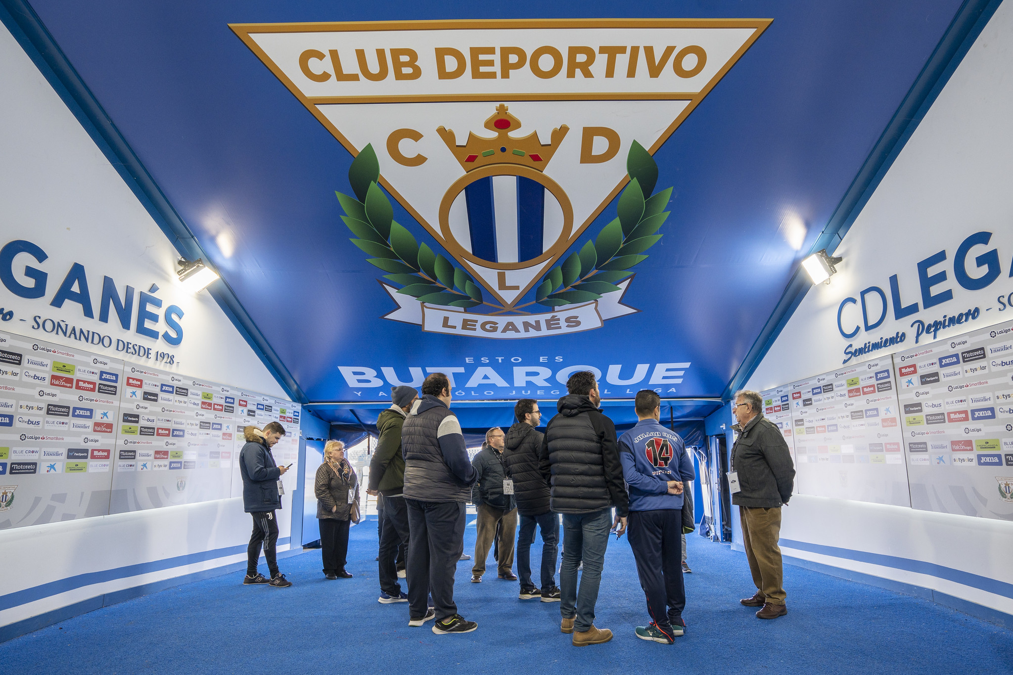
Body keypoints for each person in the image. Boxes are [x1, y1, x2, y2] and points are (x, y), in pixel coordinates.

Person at [540, 371, 629, 646]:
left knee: (569, 559)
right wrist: (622, 508)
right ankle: (584, 628)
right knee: (592, 565)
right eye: (598, 388)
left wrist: (561, 488)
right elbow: (613, 470)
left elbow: (543, 466)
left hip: (566, 506)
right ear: (592, 392)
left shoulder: (553, 422)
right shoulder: (601, 421)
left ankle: (568, 619)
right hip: (596, 505)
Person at [402, 373, 479, 634]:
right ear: (444, 391)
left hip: (414, 492)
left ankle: (418, 611)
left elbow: (406, 455)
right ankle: (446, 618)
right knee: (445, 556)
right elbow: (458, 461)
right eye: (451, 390)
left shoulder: (410, 417)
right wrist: (472, 476)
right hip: (442, 496)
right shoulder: (446, 417)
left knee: (418, 552)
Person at [618, 390, 696, 644]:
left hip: (643, 511)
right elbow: (688, 474)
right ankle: (676, 619)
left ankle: (661, 626)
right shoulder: (676, 438)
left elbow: (630, 477)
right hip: (672, 511)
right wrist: (667, 481)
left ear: (636, 410)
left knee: (650, 569)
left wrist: (659, 485)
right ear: (657, 409)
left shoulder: (627, 438)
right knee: (672, 565)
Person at [731, 389, 796, 620]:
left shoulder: (766, 430)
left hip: (764, 502)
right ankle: (763, 592)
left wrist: (782, 496)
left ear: (749, 407)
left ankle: (776, 601)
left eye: (737, 405)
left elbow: (785, 469)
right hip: (747, 501)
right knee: (753, 551)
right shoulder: (745, 431)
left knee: (766, 551)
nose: (734, 410)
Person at [503, 399, 560, 602]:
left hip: (523, 499)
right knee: (550, 540)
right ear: (527, 415)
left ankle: (526, 587)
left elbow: (507, 469)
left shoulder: (508, 441)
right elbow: (549, 467)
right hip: (543, 498)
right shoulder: (538, 437)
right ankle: (548, 588)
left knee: (524, 541)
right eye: (537, 411)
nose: (540, 415)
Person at [368, 386, 418, 603]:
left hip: (392, 490)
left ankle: (389, 590)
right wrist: (373, 485)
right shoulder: (397, 423)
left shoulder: (393, 420)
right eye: (416, 398)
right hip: (398, 490)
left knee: (388, 542)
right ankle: (417, 595)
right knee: (411, 541)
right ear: (407, 402)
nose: (418, 402)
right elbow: (380, 456)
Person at [240, 422, 291, 587]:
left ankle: (251, 574)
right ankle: (275, 575)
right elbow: (256, 473)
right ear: (267, 432)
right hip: (261, 500)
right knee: (271, 532)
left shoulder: (259, 447)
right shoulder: (254, 448)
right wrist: (277, 471)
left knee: (259, 534)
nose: (276, 441)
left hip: (262, 499)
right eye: (276, 437)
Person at [470, 427, 518, 583]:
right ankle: (478, 571)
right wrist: (479, 502)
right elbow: (473, 481)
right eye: (500, 436)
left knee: (508, 539)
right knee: (484, 540)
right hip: (488, 505)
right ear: (491, 439)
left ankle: (505, 569)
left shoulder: (511, 454)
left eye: (504, 435)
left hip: (510, 503)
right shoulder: (481, 457)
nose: (504, 438)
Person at [315, 440, 360, 579]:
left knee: (342, 542)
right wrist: (332, 506)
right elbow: (320, 490)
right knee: (329, 543)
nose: (342, 451)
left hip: (346, 510)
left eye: (343, 449)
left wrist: (355, 504)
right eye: (338, 449)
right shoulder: (324, 468)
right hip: (329, 513)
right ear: (330, 453)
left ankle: (340, 568)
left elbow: (355, 486)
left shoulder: (348, 468)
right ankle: (329, 569)